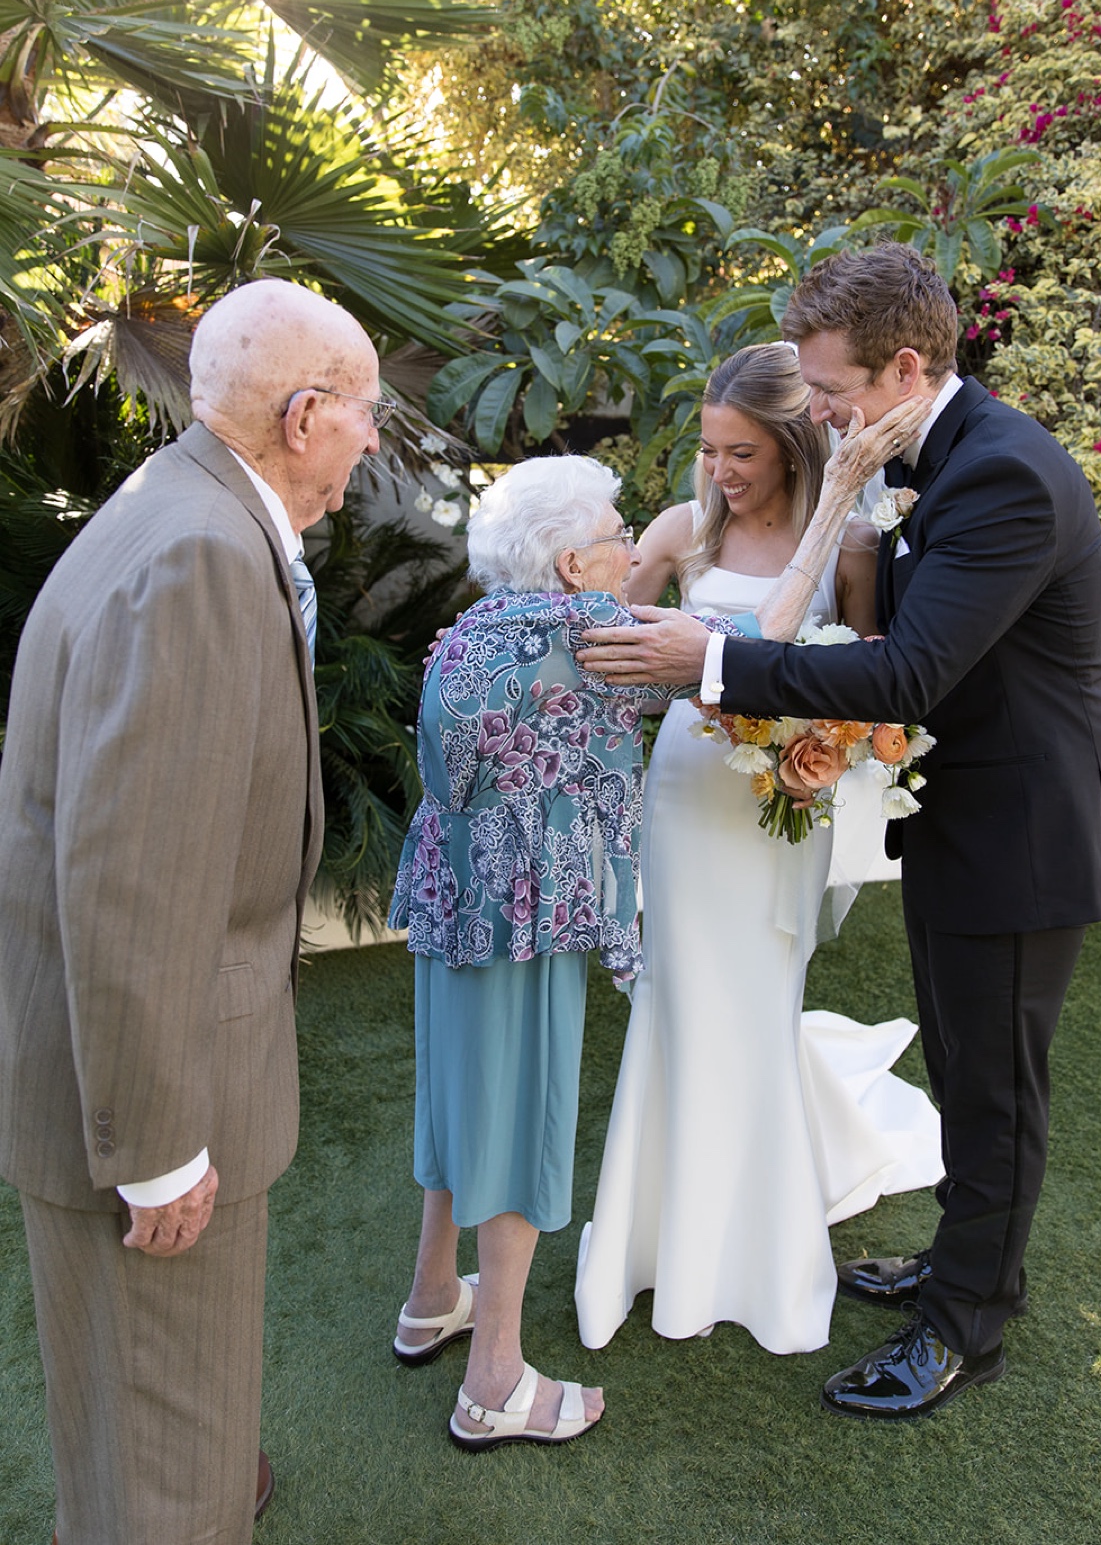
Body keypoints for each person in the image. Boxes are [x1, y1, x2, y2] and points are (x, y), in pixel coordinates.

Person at [578, 242, 1101, 1419]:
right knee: (964, 1060)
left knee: (995, 1089)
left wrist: (712, 656)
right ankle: (963, 1263)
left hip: (1023, 836)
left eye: (830, 389)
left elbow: (912, 671)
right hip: (964, 825)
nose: (819, 409)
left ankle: (963, 1328)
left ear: (899, 365)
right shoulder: (921, 451)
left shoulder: (1001, 474)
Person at [0, 278, 386, 1542]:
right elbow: (134, 877)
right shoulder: (204, 559)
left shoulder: (169, 508)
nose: (374, 439)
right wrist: (159, 1145)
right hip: (158, 1121)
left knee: (135, 1449)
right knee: (172, 1475)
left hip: (110, 1081)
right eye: (366, 412)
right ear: (304, 413)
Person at [574, 342, 944, 1355]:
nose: (722, 469)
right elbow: (599, 641)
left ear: (789, 447)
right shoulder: (682, 532)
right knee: (677, 1000)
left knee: (753, 1003)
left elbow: (870, 682)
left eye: (742, 451)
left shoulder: (853, 542)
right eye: (711, 448)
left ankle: (753, 1248)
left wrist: (813, 741)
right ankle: (655, 1247)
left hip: (786, 807)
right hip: (687, 795)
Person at [388, 455, 745, 1451]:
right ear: (571, 557)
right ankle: (494, 1376)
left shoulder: (477, 623)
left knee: (457, 1100)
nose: (636, 547)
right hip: (528, 911)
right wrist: (820, 507)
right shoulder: (584, 626)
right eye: (622, 531)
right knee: (520, 1119)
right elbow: (749, 648)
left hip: (454, 897)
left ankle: (430, 1298)